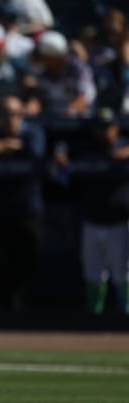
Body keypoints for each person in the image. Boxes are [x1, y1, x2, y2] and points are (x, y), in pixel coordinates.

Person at [0, 95, 45, 312]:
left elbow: (36, 152)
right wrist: (1, 145)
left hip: (28, 208)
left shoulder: (33, 131)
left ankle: (24, 308)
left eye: (14, 113)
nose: (10, 118)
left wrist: (4, 147)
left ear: (22, 114)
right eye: (5, 114)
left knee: (27, 259)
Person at [53, 107, 129, 315]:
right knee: (93, 272)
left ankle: (125, 313)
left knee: (123, 273)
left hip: (119, 220)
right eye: (101, 128)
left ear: (116, 127)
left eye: (109, 127)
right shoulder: (87, 149)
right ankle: (94, 315)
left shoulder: (123, 145)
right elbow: (62, 150)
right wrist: (60, 155)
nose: (106, 132)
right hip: (92, 219)